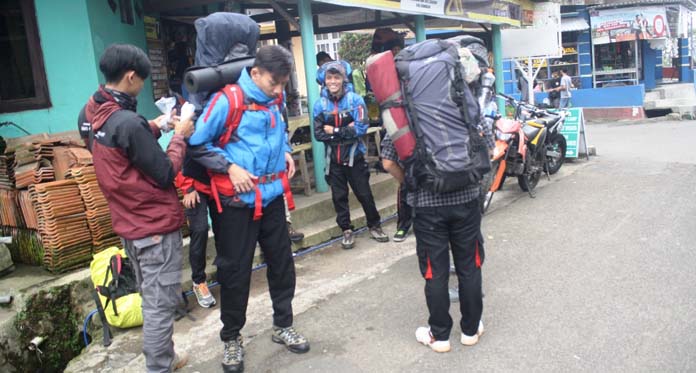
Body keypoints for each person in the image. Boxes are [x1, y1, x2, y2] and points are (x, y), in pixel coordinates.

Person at [188, 45, 309, 373]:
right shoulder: (227, 100)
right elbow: (197, 144)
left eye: (284, 83)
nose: (279, 89)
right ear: (255, 73)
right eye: (274, 82)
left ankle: (283, 325)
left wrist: (284, 150)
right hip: (235, 204)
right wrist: (229, 167)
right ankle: (231, 338)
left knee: (282, 263)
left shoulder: (275, 100)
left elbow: (278, 130)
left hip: (271, 196)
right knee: (235, 271)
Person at [83, 44, 194, 372]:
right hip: (155, 227)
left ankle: (166, 357)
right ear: (130, 76)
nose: (142, 85)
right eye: (141, 80)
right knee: (161, 305)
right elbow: (164, 172)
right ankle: (160, 365)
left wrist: (156, 125)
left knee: (151, 297)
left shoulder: (92, 111)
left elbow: (122, 141)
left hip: (129, 224)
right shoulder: (127, 122)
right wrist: (180, 136)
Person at [381, 133, 492, 353]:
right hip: (466, 199)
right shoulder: (463, 100)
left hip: (426, 203)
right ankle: (470, 331)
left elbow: (388, 162)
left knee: (435, 270)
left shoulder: (405, 106)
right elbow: (488, 150)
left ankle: (440, 336)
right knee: (470, 265)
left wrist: (410, 182)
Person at [313, 61, 389, 249]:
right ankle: (346, 230)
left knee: (364, 194)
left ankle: (374, 225)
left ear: (343, 79)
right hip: (334, 160)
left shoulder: (356, 100)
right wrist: (346, 129)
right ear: (324, 80)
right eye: (329, 78)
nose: (333, 81)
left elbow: (361, 128)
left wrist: (334, 130)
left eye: (336, 77)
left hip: (355, 158)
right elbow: (319, 134)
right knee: (339, 196)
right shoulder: (320, 104)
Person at [174, 173, 216, 308]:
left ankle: (227, 272)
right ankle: (199, 282)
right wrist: (188, 188)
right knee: (200, 231)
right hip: (195, 187)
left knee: (225, 229)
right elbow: (179, 159)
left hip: (217, 182)